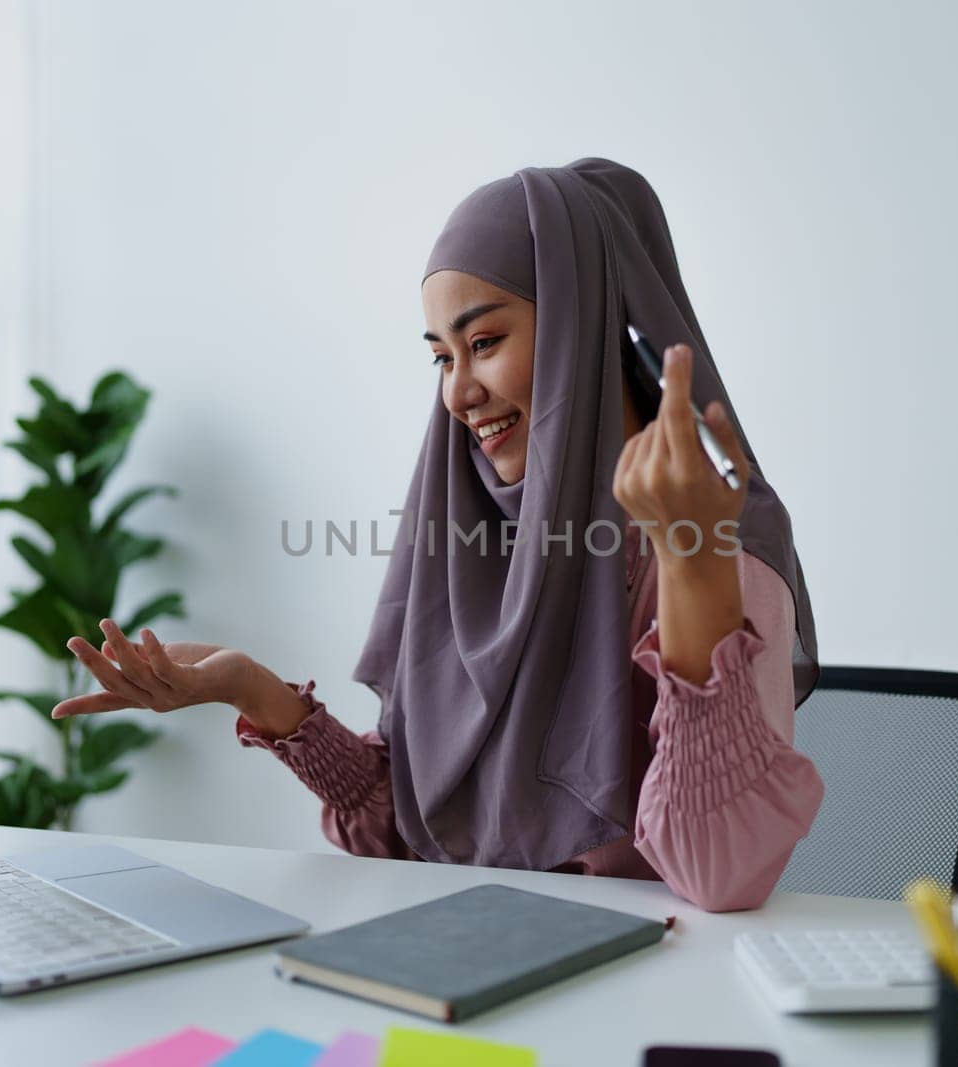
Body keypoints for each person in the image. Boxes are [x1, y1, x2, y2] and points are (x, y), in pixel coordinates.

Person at [55, 158, 824, 913]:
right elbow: (411, 832)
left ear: (583, 327)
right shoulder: (480, 532)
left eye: (484, 342)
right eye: (440, 357)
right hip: (478, 963)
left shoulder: (719, 543)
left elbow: (720, 874)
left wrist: (691, 560)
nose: (457, 392)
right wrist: (251, 689)